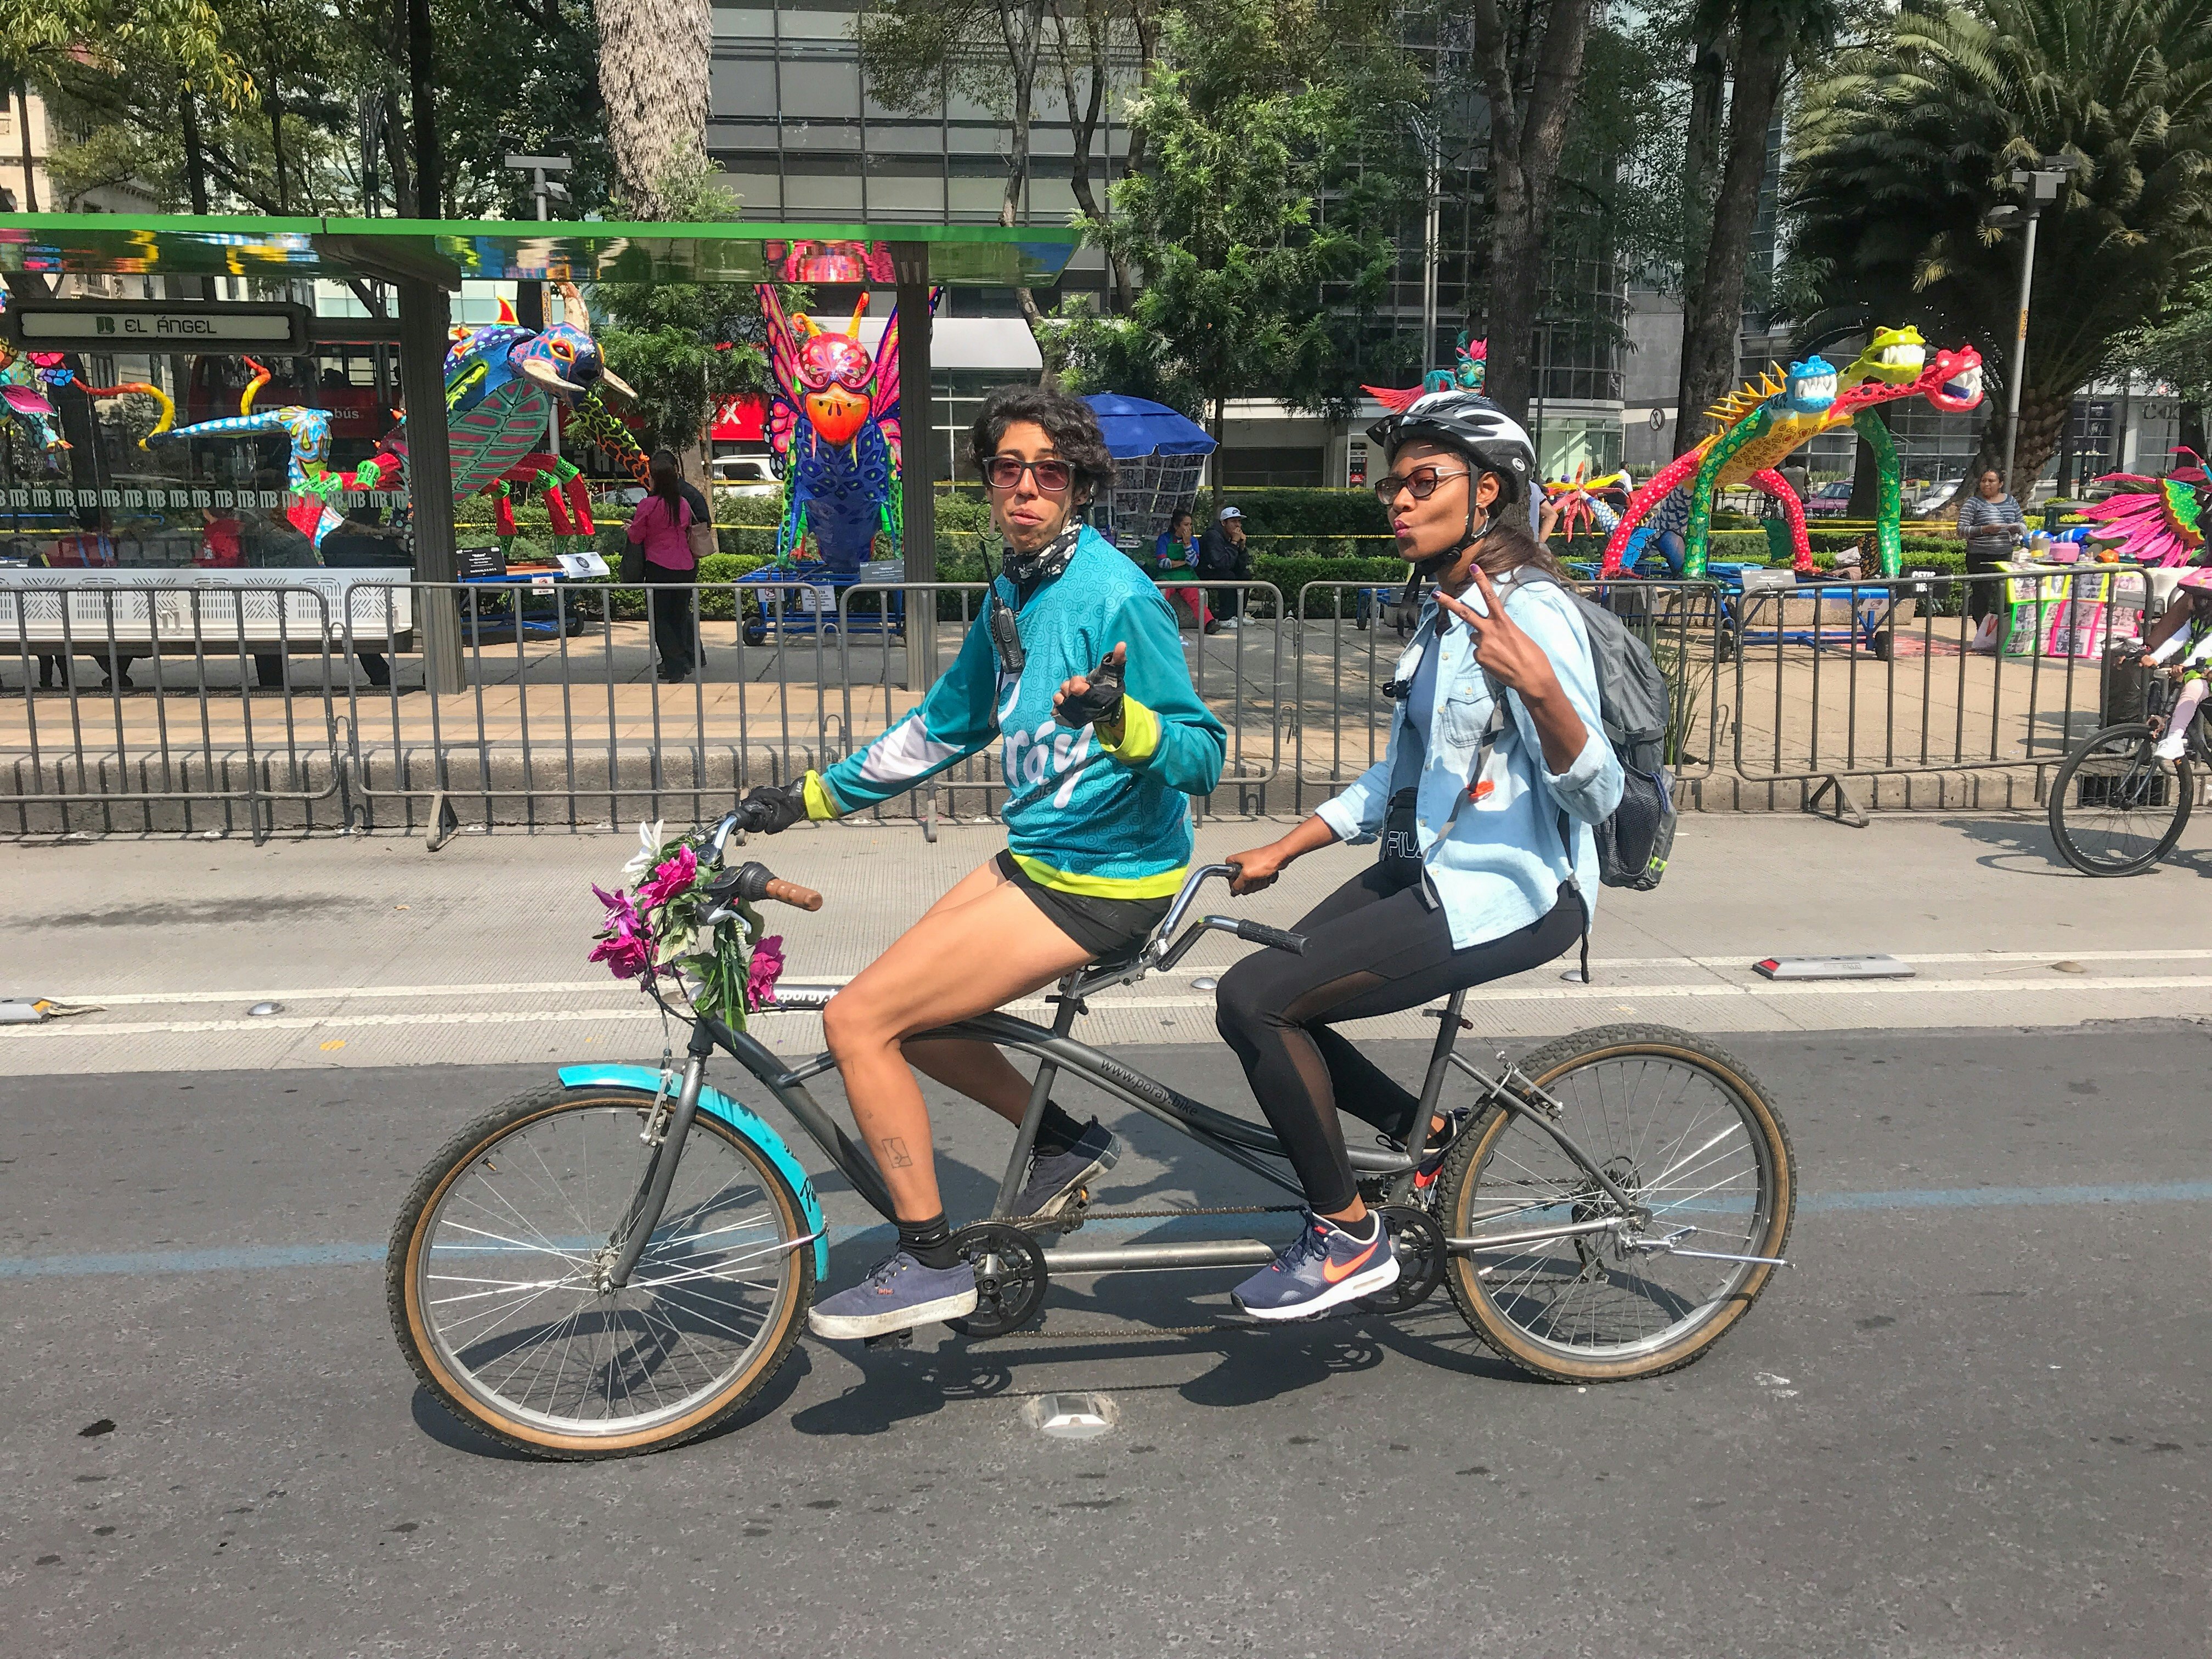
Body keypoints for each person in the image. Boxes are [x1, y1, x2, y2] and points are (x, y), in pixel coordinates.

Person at [740, 386, 1227, 1341]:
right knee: (901, 1011)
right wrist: (806, 798)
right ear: (989, 482)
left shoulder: (1117, 591)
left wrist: (1120, 720)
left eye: (1049, 470)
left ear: (1079, 484)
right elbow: (947, 723)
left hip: (1108, 879)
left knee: (858, 1018)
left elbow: (1202, 753)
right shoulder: (1012, 588)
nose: (1026, 487)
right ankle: (1064, 1141)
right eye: (1008, 468)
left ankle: (927, 1262)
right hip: (1040, 857)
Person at [1215, 389, 1623, 1321]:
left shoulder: (1534, 614)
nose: (1395, 499)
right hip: (1417, 865)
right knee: (1265, 999)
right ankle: (1424, 1131)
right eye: (1388, 484)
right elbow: (1397, 779)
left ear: (1486, 491)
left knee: (1256, 998)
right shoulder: (1446, 614)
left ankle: (1346, 1237)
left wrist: (1546, 695)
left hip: (1508, 887)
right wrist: (1287, 844)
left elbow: (1595, 793)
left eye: (1420, 481)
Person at [625, 449, 711, 682]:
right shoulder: (682, 503)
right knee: (679, 616)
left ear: (655, 480)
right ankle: (683, 660)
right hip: (685, 566)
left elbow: (637, 537)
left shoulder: (648, 505)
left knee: (660, 619)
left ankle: (674, 664)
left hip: (659, 567)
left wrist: (630, 528)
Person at [2138, 569, 2212, 759]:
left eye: (2194, 598)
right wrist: (2156, 656)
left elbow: (2207, 647)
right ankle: (2168, 729)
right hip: (2199, 671)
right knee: (2174, 695)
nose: (2189, 602)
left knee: (2194, 688)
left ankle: (2175, 737)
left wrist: (2186, 664)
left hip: (2204, 673)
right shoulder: (2197, 621)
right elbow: (2178, 638)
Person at [1957, 467, 2024, 651]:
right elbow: (1962, 530)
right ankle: (1983, 635)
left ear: (2001, 484)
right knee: (1982, 595)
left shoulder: (2011, 502)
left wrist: (2015, 530)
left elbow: (2022, 523)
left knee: (2003, 596)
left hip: (2004, 556)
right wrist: (1984, 530)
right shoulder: (1973, 504)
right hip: (1979, 556)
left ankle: (2001, 635)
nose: (1986, 485)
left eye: (1991, 481)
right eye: (1984, 481)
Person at [1152, 506, 1217, 633]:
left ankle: (1209, 623)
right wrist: (1184, 562)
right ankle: (1155, 623)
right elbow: (1163, 563)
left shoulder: (1193, 541)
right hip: (1167, 576)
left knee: (1194, 596)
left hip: (1187, 575)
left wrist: (1187, 544)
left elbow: (1193, 563)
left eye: (1191, 525)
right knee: (1162, 594)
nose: (1189, 528)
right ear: (1177, 526)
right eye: (1186, 524)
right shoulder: (1164, 539)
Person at [1198, 505, 1253, 628]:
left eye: (1239, 521)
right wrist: (1234, 543)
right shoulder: (1213, 536)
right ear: (1224, 523)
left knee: (1244, 575)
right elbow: (1221, 564)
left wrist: (1242, 548)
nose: (1238, 525)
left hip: (1221, 569)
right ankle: (1225, 617)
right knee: (1227, 576)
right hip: (1205, 571)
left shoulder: (1231, 536)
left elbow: (1240, 566)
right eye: (1234, 522)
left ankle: (1239, 614)